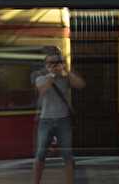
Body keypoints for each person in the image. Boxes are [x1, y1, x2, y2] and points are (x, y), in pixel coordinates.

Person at [33, 50, 85, 184]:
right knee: (40, 154)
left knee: (67, 155)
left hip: (64, 120)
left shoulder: (66, 77)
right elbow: (43, 90)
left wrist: (67, 71)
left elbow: (80, 85)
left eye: (58, 62)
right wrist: (52, 75)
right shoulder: (41, 78)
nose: (55, 65)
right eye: (51, 63)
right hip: (46, 121)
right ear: (46, 65)